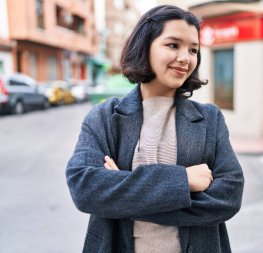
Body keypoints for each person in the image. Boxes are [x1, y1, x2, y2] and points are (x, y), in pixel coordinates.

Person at [66, 5, 244, 253]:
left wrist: (124, 191)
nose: (185, 57)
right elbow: (85, 188)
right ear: (145, 46)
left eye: (193, 49)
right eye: (173, 45)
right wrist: (183, 181)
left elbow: (229, 196)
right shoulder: (106, 117)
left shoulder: (209, 119)